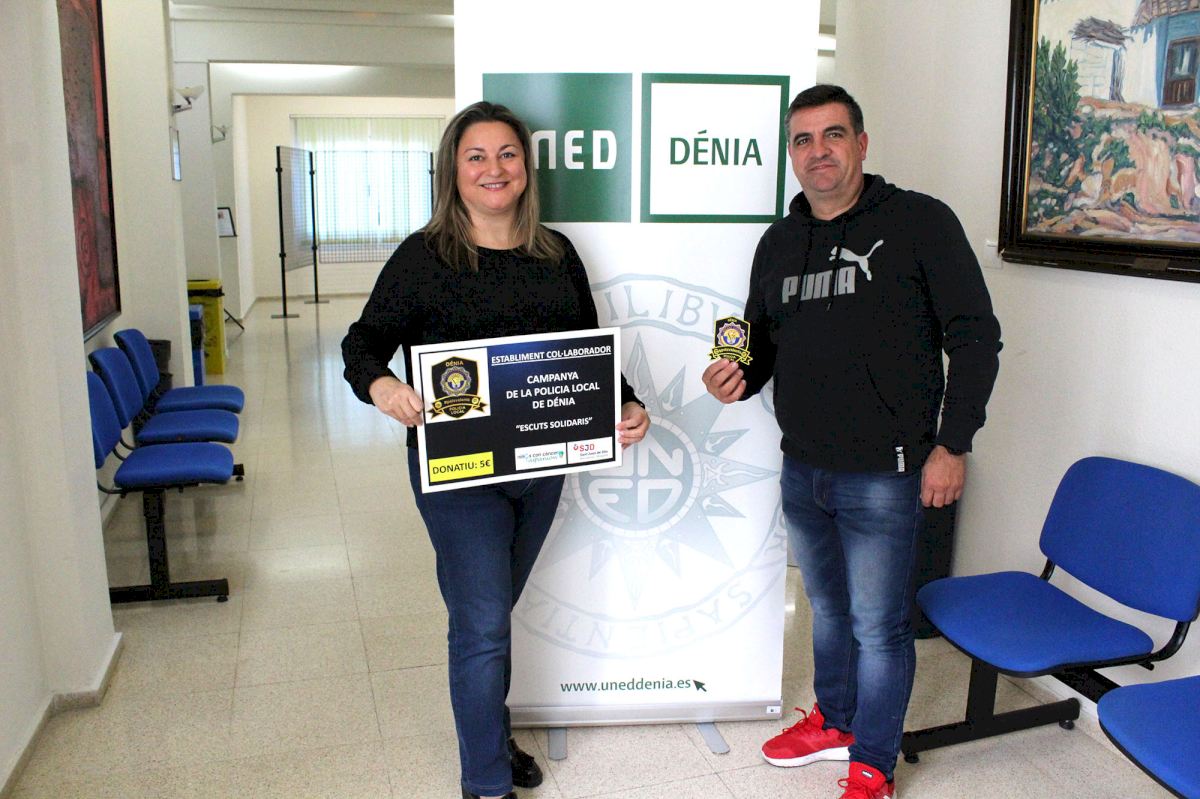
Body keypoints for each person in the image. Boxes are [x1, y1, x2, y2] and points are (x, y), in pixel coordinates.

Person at [342, 101, 650, 799]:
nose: (493, 168)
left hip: (542, 468)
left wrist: (625, 404)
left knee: (490, 612)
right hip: (458, 474)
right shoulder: (424, 256)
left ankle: (491, 735)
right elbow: (362, 343)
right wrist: (382, 384)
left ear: (526, 167)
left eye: (507, 153)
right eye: (475, 155)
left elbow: (585, 351)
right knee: (481, 623)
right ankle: (485, 781)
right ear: (453, 170)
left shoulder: (556, 253)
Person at [702, 84, 1001, 799]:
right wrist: (734, 375)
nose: (818, 152)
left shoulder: (920, 222)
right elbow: (759, 341)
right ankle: (835, 720)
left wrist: (952, 444)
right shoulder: (779, 242)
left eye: (833, 135)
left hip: (888, 473)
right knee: (829, 611)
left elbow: (976, 337)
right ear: (791, 155)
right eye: (802, 140)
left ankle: (873, 761)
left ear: (861, 144)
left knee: (879, 627)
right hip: (803, 467)